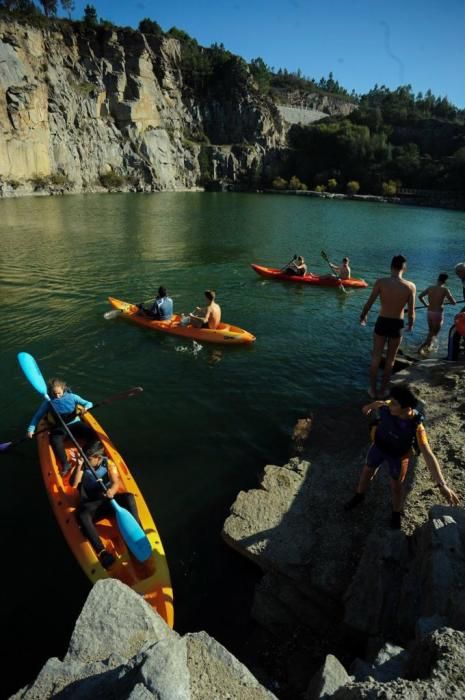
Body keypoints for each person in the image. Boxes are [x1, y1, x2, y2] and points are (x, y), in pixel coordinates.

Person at [344, 384, 459, 530]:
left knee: (396, 486)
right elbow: (377, 404)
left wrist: (442, 485)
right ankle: (359, 496)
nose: (389, 404)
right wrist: (369, 406)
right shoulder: (387, 406)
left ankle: (396, 512)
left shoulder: (417, 427)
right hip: (378, 448)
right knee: (367, 471)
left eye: (394, 404)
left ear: (407, 408)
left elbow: (428, 454)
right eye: (390, 401)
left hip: (397, 457)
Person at [71, 440, 143, 569]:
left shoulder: (108, 463)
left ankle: (137, 531)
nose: (85, 460)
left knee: (129, 497)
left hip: (108, 499)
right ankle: (102, 552)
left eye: (88, 458)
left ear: (97, 458)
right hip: (92, 503)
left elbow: (115, 482)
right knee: (81, 514)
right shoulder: (83, 464)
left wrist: (112, 491)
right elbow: (74, 484)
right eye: (84, 457)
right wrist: (78, 466)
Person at [360, 255, 416, 399]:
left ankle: (372, 390)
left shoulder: (381, 282)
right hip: (397, 323)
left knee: (376, 358)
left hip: (382, 321)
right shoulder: (410, 286)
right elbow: (412, 312)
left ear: (390, 267)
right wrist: (410, 324)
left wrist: (363, 315)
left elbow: (370, 302)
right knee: (390, 360)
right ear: (404, 268)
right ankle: (384, 390)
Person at [27, 378, 95, 476]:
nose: (57, 396)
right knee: (55, 441)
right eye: (54, 394)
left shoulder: (73, 397)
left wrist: (86, 408)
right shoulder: (48, 402)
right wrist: (31, 429)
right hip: (60, 427)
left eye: (59, 393)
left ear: (63, 389)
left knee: (93, 436)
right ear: (50, 392)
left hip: (75, 424)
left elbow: (89, 403)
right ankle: (65, 464)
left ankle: (85, 454)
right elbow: (37, 416)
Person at [418, 273, 456, 354]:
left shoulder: (430, 288)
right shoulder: (445, 290)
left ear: (438, 279)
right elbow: (453, 303)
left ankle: (428, 348)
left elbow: (420, 296)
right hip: (437, 314)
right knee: (434, 333)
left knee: (430, 331)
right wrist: (445, 300)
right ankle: (422, 347)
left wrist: (426, 305)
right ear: (445, 281)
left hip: (429, 312)